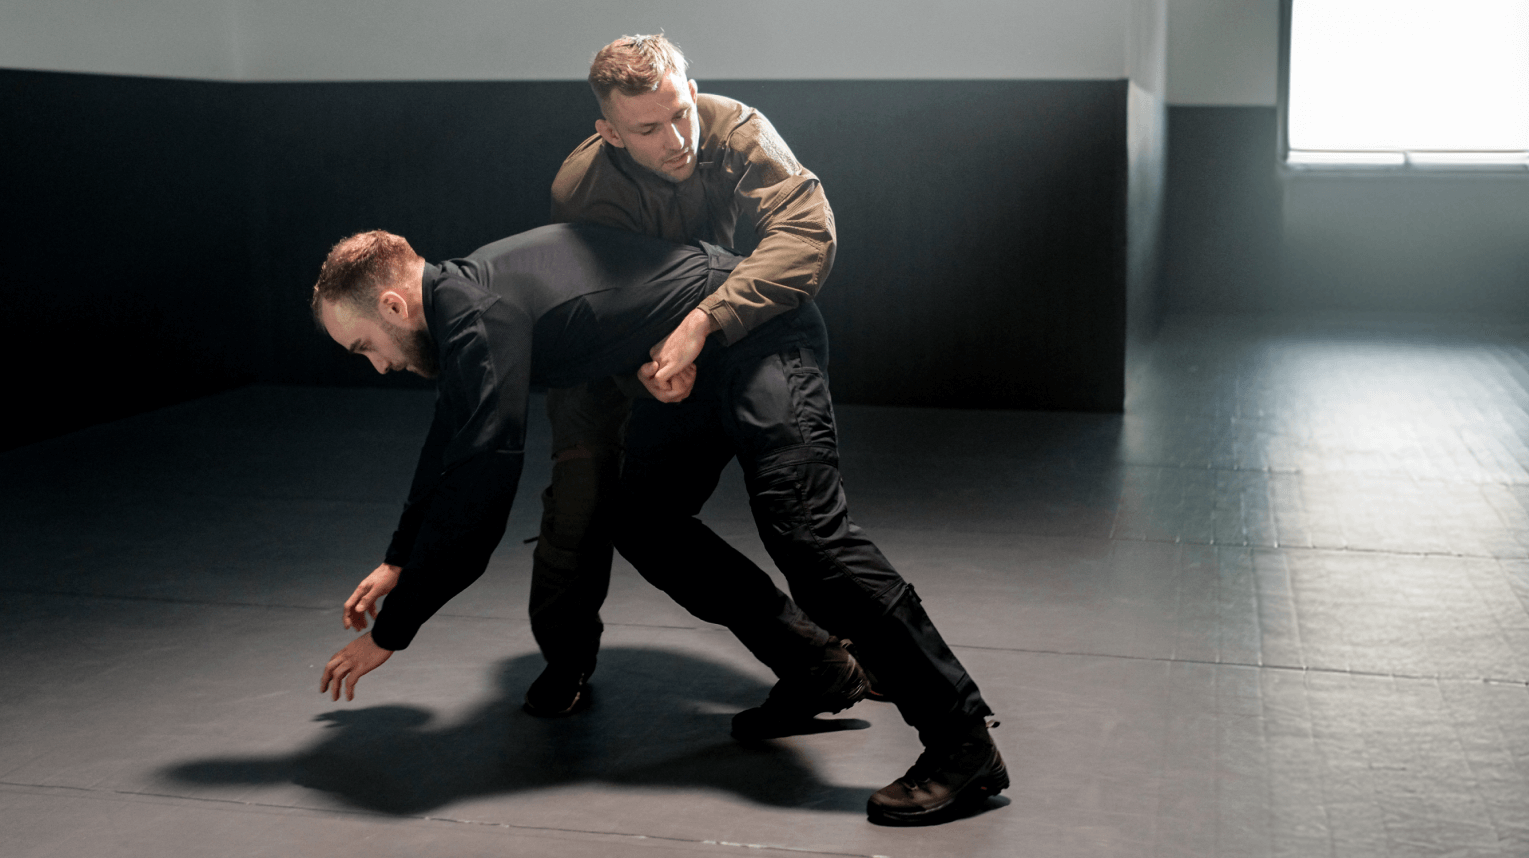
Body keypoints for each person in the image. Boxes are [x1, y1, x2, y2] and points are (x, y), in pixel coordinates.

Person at [313, 222, 1008, 825]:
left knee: (806, 534)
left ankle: (962, 742)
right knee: (640, 517)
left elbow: (480, 499)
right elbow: (450, 442)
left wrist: (394, 632)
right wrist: (400, 557)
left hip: (761, 334)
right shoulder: (461, 304)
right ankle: (818, 666)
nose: (376, 365)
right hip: (702, 366)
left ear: (395, 303)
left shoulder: (478, 313)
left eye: (364, 345)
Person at [525, 33, 858, 729]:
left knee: (797, 505)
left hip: (708, 325)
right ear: (609, 132)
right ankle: (566, 662)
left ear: (692, 87)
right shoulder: (582, 188)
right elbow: (604, 305)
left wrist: (705, 322)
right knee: (584, 510)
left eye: (682, 112)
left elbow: (806, 232)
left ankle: (833, 653)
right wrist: (648, 370)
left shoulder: (734, 127)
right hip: (608, 350)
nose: (677, 138)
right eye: (648, 128)